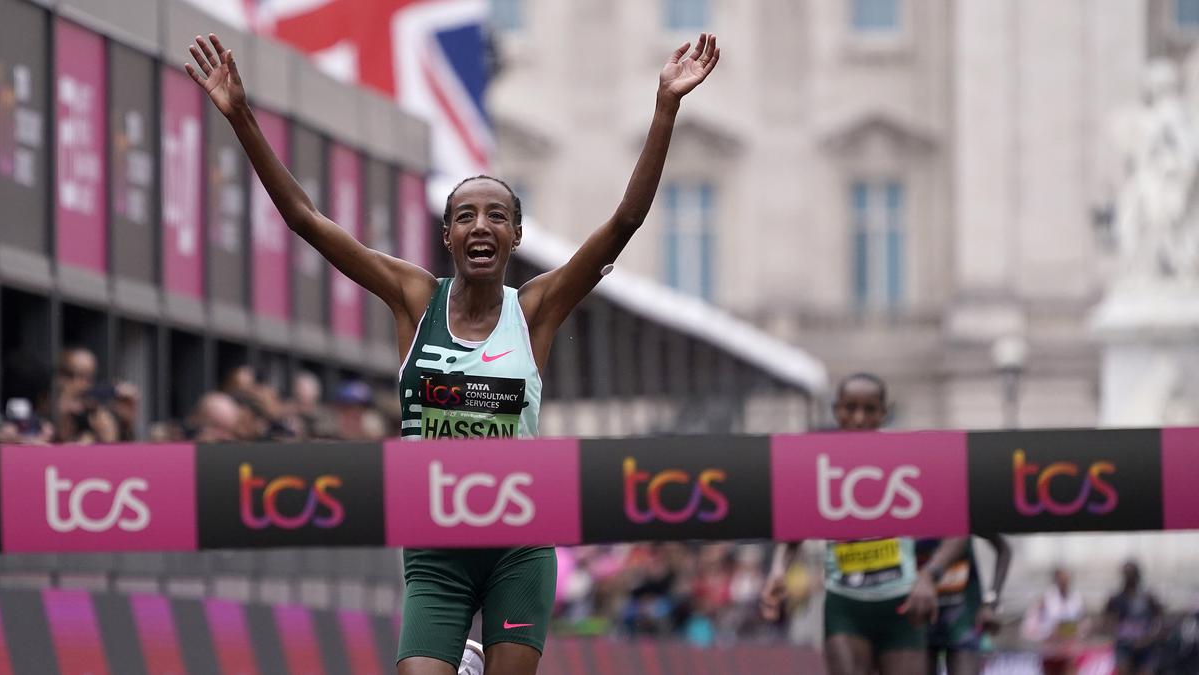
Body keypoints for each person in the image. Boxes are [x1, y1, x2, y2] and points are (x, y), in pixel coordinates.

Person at [185, 29, 720, 675]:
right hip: (436, 545)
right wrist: (241, 116)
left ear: (515, 234)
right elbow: (305, 219)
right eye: (465, 216)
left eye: (496, 216)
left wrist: (664, 107)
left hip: (518, 545)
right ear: (447, 236)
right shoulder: (414, 299)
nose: (481, 226)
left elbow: (624, 222)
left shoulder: (535, 310)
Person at [760, 373, 969, 675]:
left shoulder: (908, 458)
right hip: (846, 608)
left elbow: (958, 528)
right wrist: (778, 569)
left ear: (884, 412)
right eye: (850, 408)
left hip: (902, 604)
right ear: (837, 411)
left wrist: (929, 576)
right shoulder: (820, 462)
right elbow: (795, 531)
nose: (859, 418)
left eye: (869, 409)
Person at [917, 533, 1011, 675]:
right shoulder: (905, 519)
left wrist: (991, 602)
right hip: (918, 615)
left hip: (964, 618)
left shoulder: (964, 519)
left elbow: (1004, 550)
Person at [1103, 561, 1164, 675]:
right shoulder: (1116, 598)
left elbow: (1160, 617)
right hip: (1124, 644)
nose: (1129, 578)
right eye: (1126, 574)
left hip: (1145, 644)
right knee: (1123, 669)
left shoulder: (1148, 597)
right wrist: (1115, 633)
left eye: (1132, 574)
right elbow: (1107, 618)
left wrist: (1151, 636)